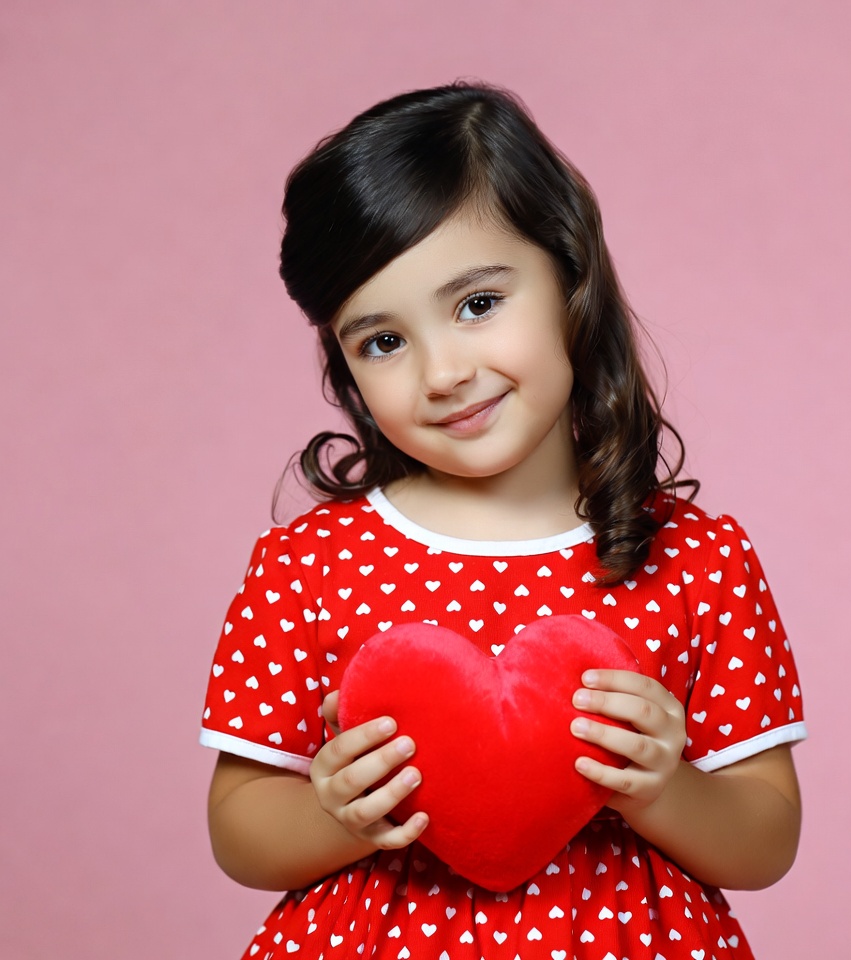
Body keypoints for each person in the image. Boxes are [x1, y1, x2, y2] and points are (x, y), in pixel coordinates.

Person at [200, 81, 806, 960]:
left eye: (478, 304)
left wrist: (663, 789)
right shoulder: (308, 564)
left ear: (569, 275)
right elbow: (238, 829)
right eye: (383, 340)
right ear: (343, 361)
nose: (442, 372)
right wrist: (337, 815)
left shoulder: (698, 558)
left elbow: (767, 839)